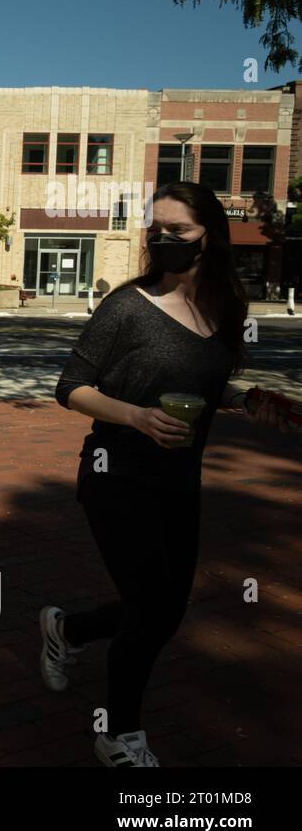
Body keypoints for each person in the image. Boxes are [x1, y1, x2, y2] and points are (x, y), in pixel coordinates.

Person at [47, 182, 298, 768]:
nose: (164, 240)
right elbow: (69, 389)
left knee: (162, 609)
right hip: (115, 479)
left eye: (178, 231)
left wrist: (241, 398)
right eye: (156, 229)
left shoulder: (223, 310)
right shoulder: (127, 307)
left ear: (209, 235)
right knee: (154, 610)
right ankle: (118, 736)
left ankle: (68, 630)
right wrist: (136, 416)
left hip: (179, 483)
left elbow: (204, 386)